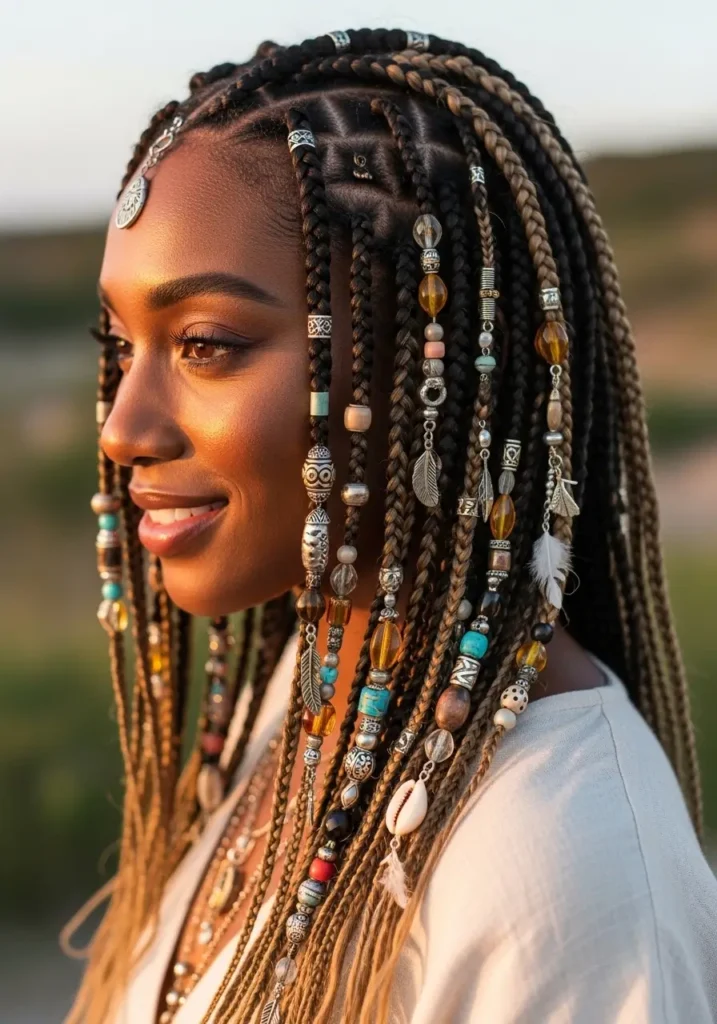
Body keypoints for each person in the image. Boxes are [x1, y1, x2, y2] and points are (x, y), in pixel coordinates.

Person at [63, 28, 717, 1024]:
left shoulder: (564, 866)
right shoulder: (327, 684)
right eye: (123, 343)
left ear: (426, 368)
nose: (122, 425)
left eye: (203, 343)